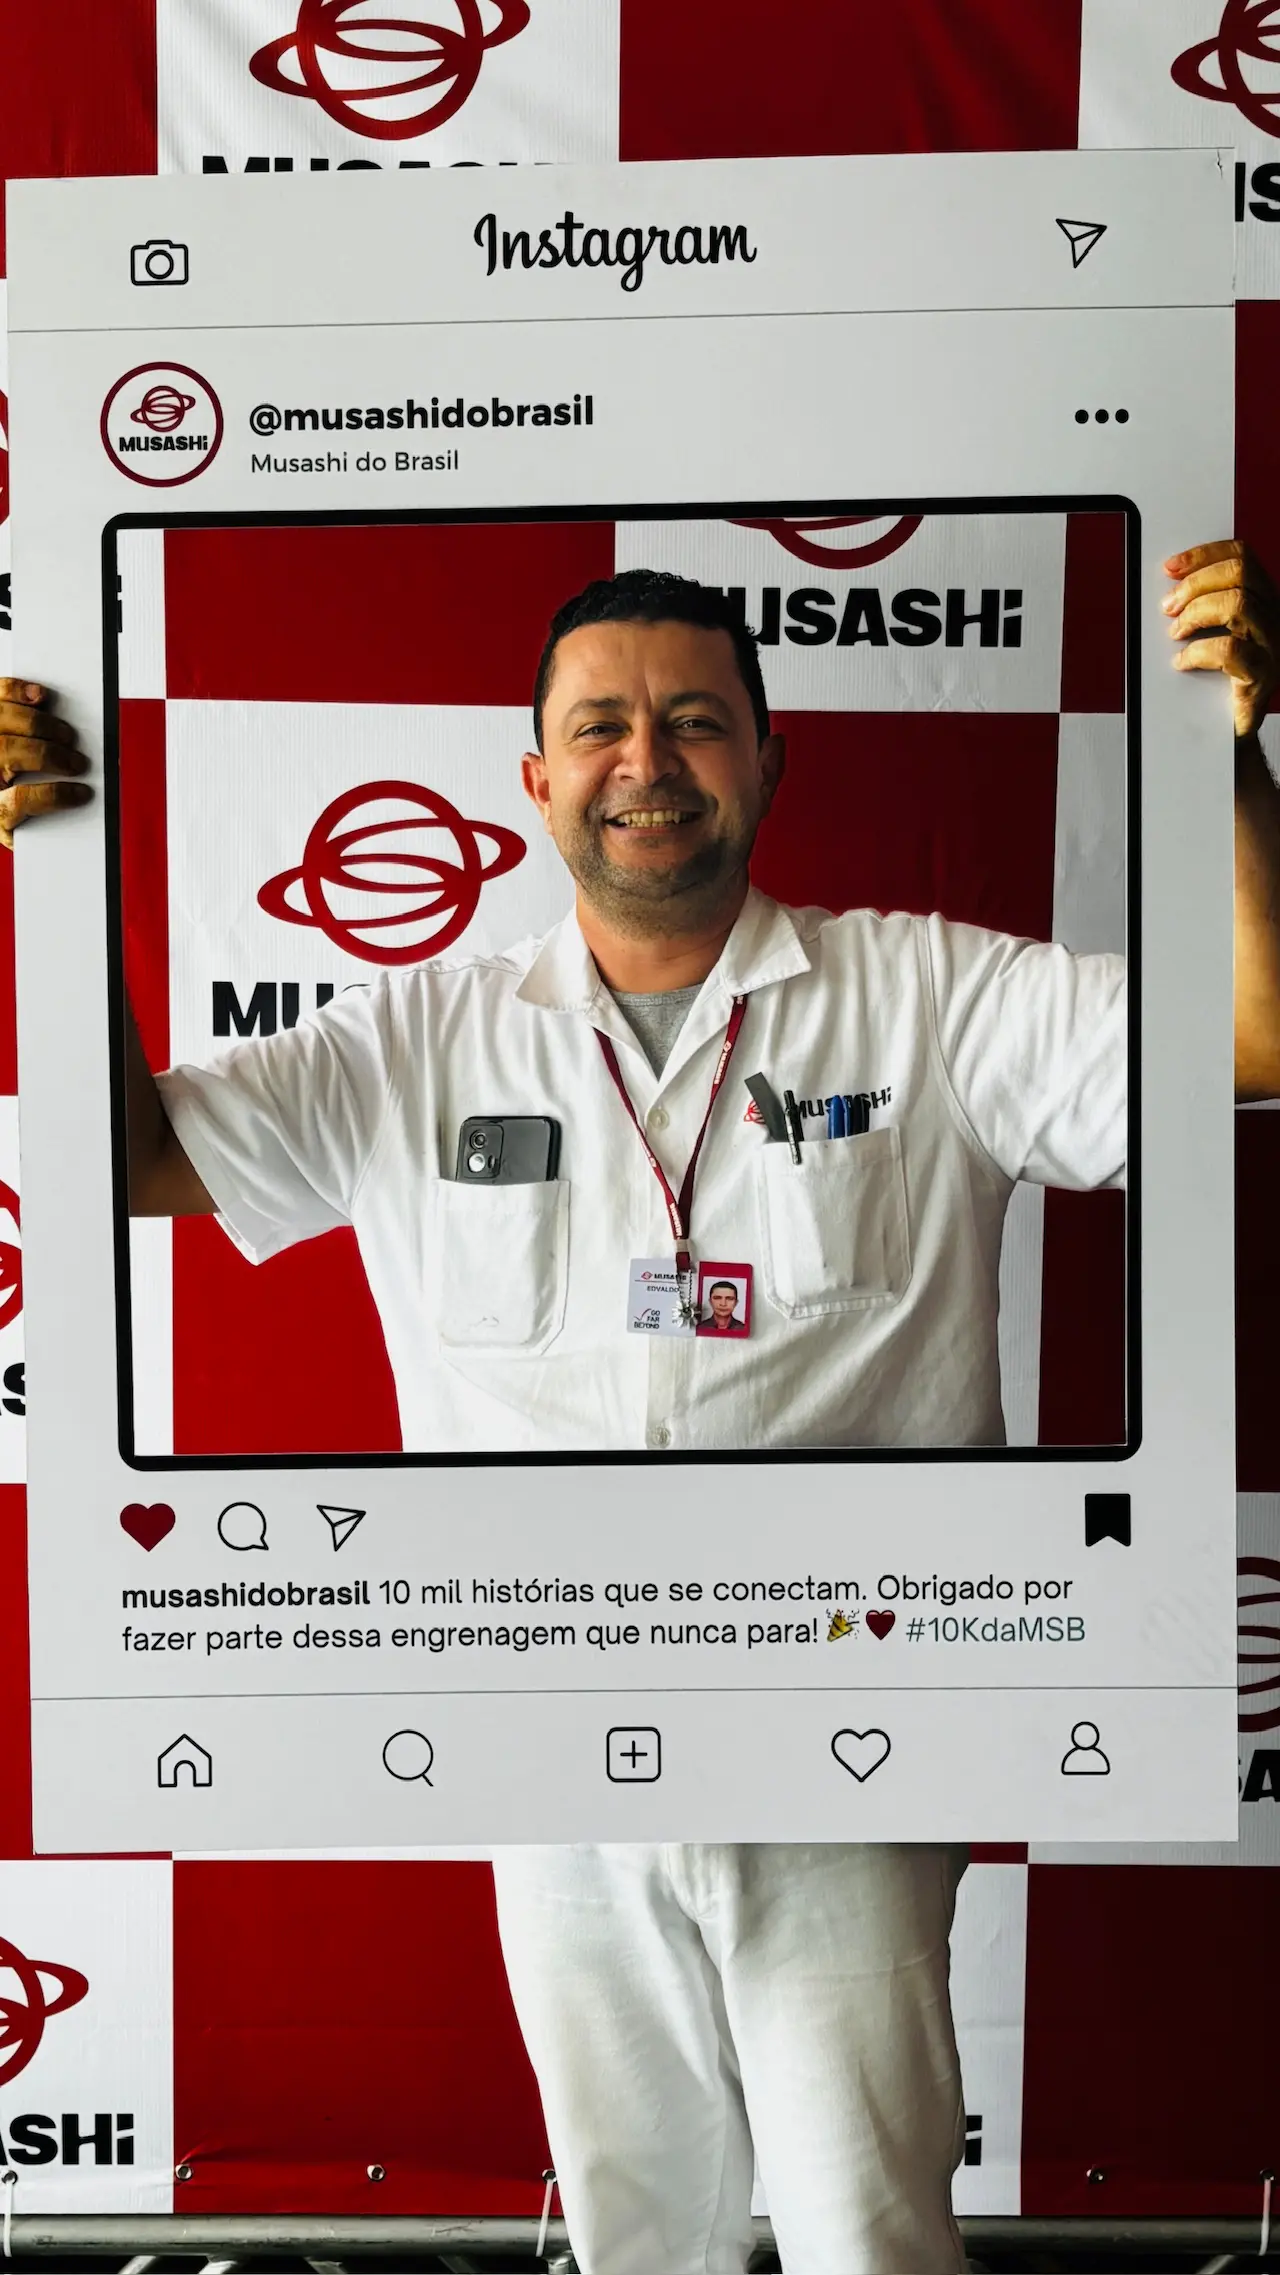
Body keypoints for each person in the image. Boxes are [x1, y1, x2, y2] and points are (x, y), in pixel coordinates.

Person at [3, 537, 1277, 2274]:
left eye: (693, 720)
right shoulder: (412, 1036)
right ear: (534, 778)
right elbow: (134, 1159)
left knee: (871, 2239)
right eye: (599, 724)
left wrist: (1228, 752)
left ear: (768, 759)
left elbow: (1258, 1037)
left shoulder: (934, 994)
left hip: (850, 1743)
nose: (645, 760)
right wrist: (40, 869)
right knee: (636, 2238)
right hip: (549, 1744)